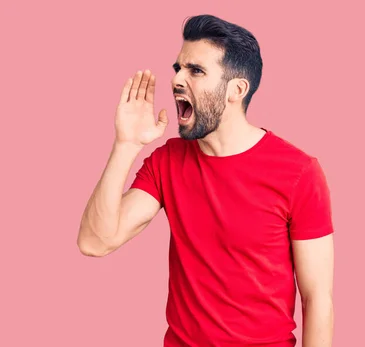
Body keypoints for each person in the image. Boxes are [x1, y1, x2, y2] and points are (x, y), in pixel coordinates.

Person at [77, 14, 334, 347]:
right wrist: (126, 145)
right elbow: (95, 242)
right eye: (178, 68)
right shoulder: (167, 162)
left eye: (196, 71)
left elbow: (317, 299)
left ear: (236, 89)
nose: (177, 80)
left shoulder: (299, 172)